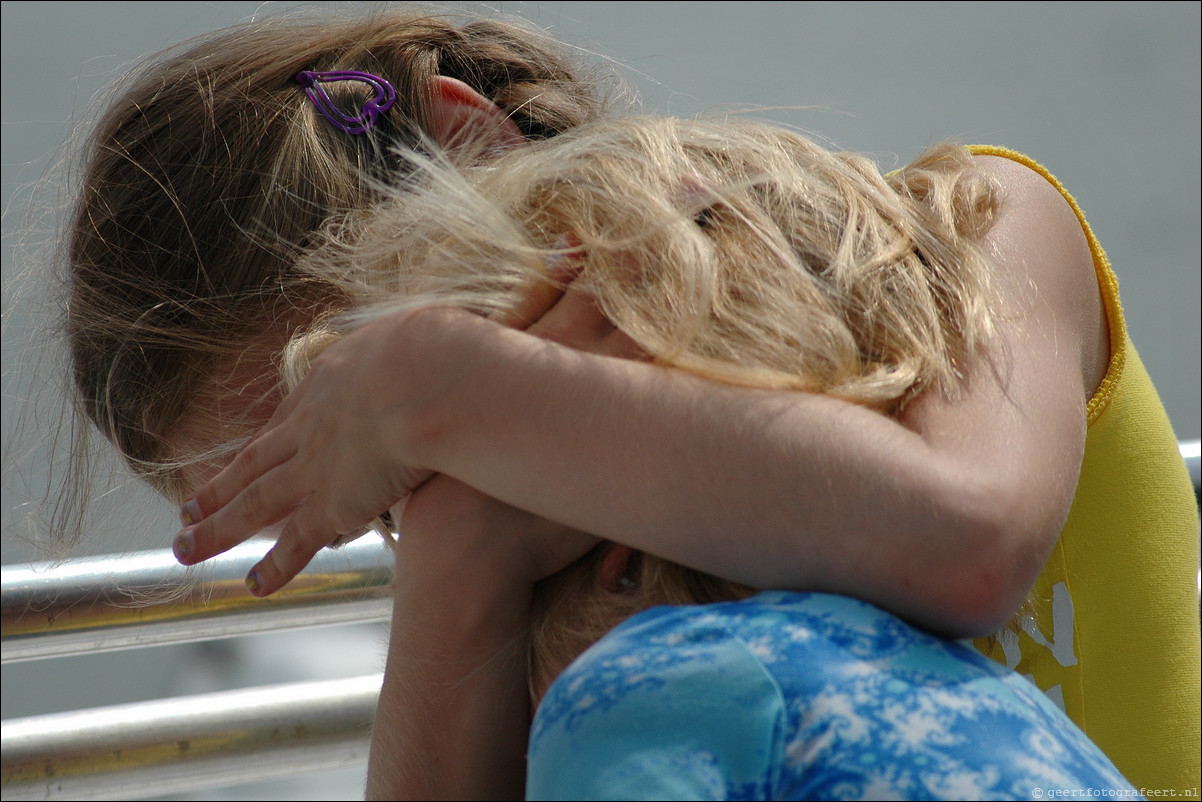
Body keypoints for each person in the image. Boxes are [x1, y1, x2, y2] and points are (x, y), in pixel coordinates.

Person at [46, 6, 1196, 796]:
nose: (414, 482)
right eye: (375, 495)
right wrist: (461, 553)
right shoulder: (508, 532)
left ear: (465, 138)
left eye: (347, 394)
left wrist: (450, 391)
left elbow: (964, 546)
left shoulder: (979, 226)